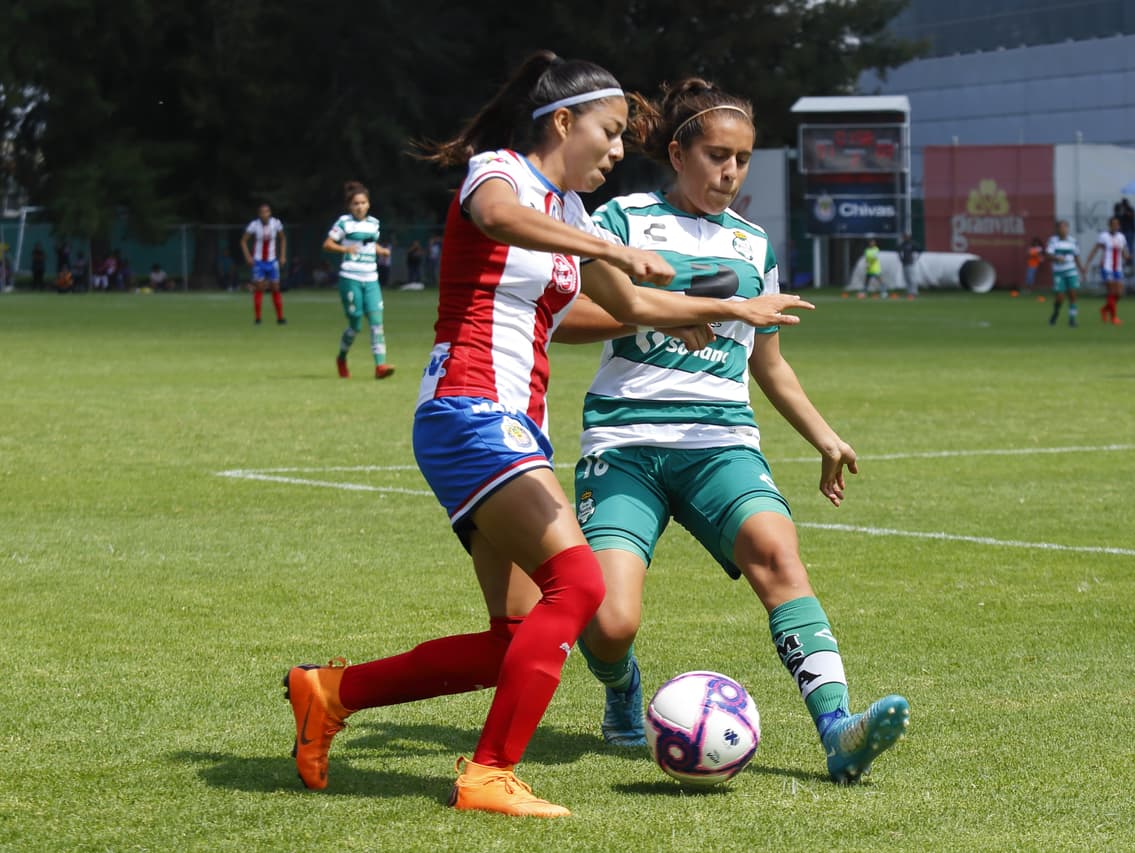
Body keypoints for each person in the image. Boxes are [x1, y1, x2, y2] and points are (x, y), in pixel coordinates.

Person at [281, 50, 812, 819]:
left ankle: (331, 692)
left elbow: (629, 306)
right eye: (609, 131)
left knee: (519, 635)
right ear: (563, 122)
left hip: (510, 424)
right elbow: (498, 219)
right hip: (471, 411)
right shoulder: (500, 173)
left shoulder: (569, 216)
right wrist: (609, 246)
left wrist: (727, 311)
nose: (618, 148)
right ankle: (490, 771)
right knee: (584, 585)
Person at [553, 77, 909, 787]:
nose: (730, 173)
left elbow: (769, 363)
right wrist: (669, 313)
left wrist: (824, 435)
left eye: (742, 159)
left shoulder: (752, 244)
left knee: (778, 552)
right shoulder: (620, 221)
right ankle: (622, 685)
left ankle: (838, 729)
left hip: (720, 441)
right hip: (626, 444)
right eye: (717, 155)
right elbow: (564, 320)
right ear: (677, 151)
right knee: (611, 619)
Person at [323, 181, 395, 380]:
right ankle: (341, 357)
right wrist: (345, 249)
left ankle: (380, 366)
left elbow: (370, 245)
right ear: (350, 206)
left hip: (371, 278)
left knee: (376, 322)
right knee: (355, 324)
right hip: (350, 277)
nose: (360, 206)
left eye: (363, 203)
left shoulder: (374, 223)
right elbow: (328, 244)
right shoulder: (344, 223)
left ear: (368, 204)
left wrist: (381, 250)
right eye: (356, 203)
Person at [240, 202, 287, 324]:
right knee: (259, 288)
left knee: (275, 288)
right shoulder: (254, 225)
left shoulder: (276, 223)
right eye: (262, 212)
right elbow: (243, 241)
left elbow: (282, 238)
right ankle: (258, 318)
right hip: (258, 261)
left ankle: (280, 317)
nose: (265, 214)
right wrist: (248, 257)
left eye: (267, 212)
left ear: (270, 213)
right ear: (259, 214)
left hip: (272, 261)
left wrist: (282, 256)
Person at [1084, 216, 1130, 325]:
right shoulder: (1104, 236)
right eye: (1113, 224)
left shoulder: (1121, 237)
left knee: (1119, 293)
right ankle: (1113, 318)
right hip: (1107, 267)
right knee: (1112, 291)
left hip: (1118, 268)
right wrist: (1087, 264)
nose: (1115, 226)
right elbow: (1095, 250)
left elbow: (1124, 252)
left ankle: (1104, 309)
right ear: (1109, 225)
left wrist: (1127, 257)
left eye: (1117, 224)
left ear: (1119, 225)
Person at [1045, 220, 1083, 326]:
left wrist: (1081, 269)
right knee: (1060, 297)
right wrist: (1056, 258)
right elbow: (1048, 255)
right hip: (1059, 272)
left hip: (1071, 271)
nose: (1063, 230)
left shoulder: (1073, 241)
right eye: (1061, 228)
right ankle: (1056, 313)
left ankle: (1072, 319)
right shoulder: (1053, 241)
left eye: (1065, 227)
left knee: (1073, 296)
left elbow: (1076, 256)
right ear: (1057, 229)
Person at [1115, 198, 1135, 273]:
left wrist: (1125, 212)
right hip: (1123, 231)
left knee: (1129, 247)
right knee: (1123, 246)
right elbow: (1118, 218)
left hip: (1130, 231)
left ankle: (1129, 262)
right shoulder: (1120, 210)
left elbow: (1132, 216)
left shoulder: (1130, 209)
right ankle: (1124, 260)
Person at [897, 232, 918, 300]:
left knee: (912, 278)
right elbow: (898, 251)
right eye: (904, 237)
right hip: (904, 263)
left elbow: (918, 249)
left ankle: (914, 292)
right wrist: (901, 259)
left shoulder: (912, 243)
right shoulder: (903, 244)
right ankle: (909, 292)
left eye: (906, 236)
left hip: (910, 263)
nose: (905, 238)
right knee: (907, 279)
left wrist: (915, 258)